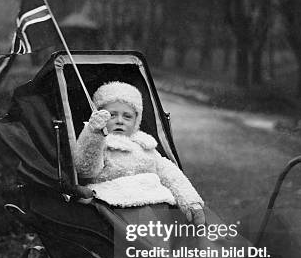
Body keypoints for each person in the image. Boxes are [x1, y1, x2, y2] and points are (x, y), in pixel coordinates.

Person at [75, 81, 205, 225]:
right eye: (112, 115)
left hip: (155, 205)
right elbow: (86, 169)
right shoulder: (99, 143)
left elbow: (171, 175)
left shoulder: (146, 145)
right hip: (114, 206)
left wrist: (191, 202)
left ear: (137, 120)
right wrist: (94, 134)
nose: (120, 121)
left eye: (127, 116)